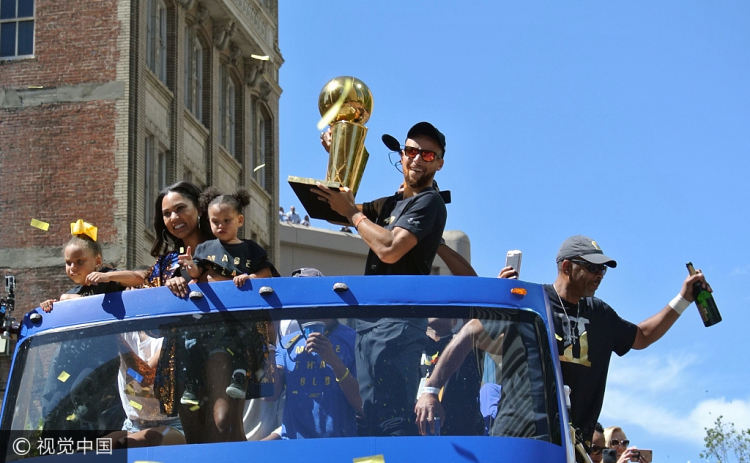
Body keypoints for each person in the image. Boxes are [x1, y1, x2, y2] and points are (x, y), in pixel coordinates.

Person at [314, 121, 447, 437]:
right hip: (372, 322)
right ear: (401, 155)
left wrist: (355, 215)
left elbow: (389, 248)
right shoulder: (390, 204)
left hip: (398, 322)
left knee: (391, 421)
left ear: (440, 162)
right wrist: (339, 157)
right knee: (372, 418)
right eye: (411, 151)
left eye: (427, 155)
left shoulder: (429, 202)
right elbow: (332, 210)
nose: (416, 159)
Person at [547, 235, 712, 443]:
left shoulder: (599, 313)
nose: (600, 275)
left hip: (577, 444)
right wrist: (498, 303)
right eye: (593, 268)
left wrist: (684, 299)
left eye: (603, 270)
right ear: (567, 267)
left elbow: (642, 336)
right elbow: (496, 344)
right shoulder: (535, 302)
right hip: (535, 439)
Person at [178, 187, 275, 442]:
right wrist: (189, 267)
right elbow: (195, 276)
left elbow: (267, 274)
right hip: (209, 324)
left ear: (240, 221)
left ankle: (240, 375)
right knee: (195, 350)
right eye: (215, 221)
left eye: (227, 221)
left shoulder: (252, 250)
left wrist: (250, 277)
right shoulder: (205, 248)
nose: (220, 226)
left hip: (241, 325)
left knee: (236, 347)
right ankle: (192, 384)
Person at [40, 221, 144, 434]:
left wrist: (109, 276)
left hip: (100, 359)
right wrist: (50, 305)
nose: (73, 267)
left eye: (80, 261)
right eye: (68, 262)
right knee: (53, 405)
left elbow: (140, 277)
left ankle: (90, 438)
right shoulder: (72, 291)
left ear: (97, 261)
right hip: (69, 359)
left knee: (82, 394)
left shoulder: (107, 282)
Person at [268, 317, 361, 439]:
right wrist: (269, 347)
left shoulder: (353, 339)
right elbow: (269, 396)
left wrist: (333, 360)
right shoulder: (286, 343)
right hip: (294, 444)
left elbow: (361, 404)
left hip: (340, 444)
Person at [419, 318, 483, 436]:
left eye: (445, 308)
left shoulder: (465, 345)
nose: (437, 306)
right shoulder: (411, 345)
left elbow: (474, 327)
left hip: (459, 435)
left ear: (454, 321)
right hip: (416, 432)